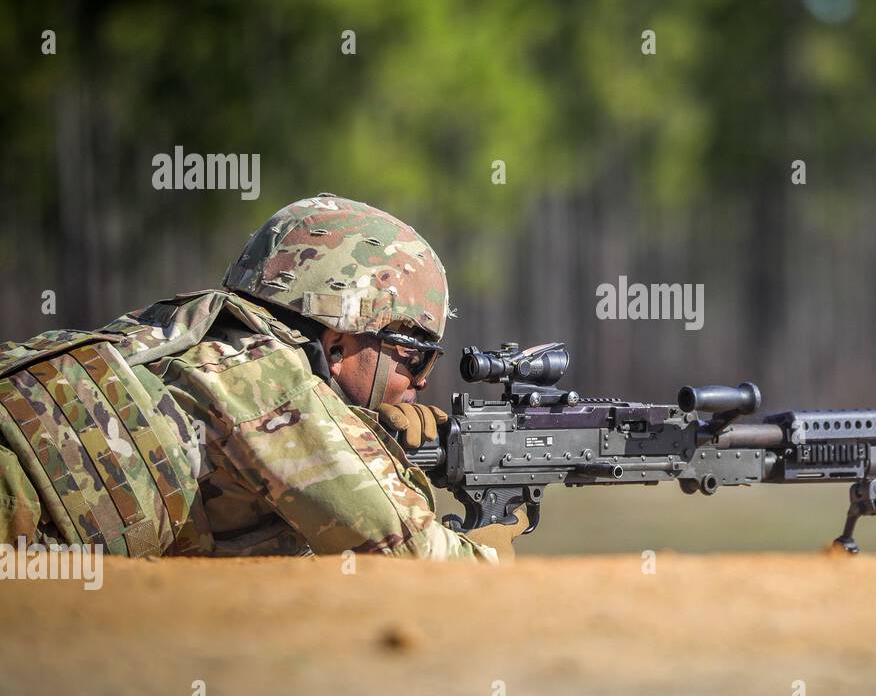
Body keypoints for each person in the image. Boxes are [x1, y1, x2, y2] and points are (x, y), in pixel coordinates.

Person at [0, 194, 525, 562]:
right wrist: (493, 546)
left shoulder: (189, 340)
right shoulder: (270, 384)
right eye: (414, 357)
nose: (420, 383)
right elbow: (416, 559)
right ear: (338, 344)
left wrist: (374, 443)